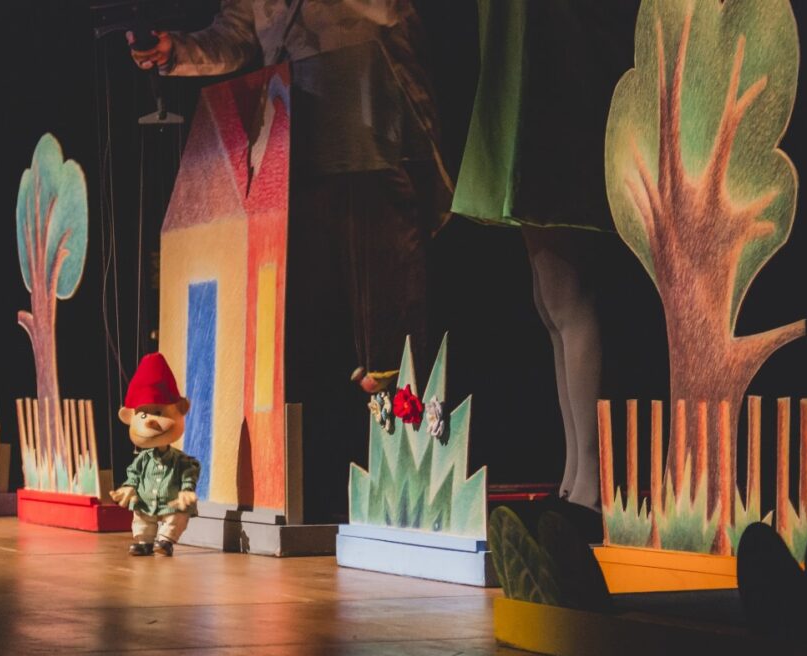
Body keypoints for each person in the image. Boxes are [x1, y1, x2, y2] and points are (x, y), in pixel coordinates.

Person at [128, 0, 452, 394]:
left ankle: (401, 400)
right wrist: (176, 51)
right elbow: (237, 34)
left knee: (386, 293)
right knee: (307, 311)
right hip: (292, 130)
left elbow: (388, 10)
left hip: (372, 117)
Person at [451, 0, 638, 520]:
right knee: (550, 302)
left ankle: (591, 480)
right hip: (529, 90)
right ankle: (574, 472)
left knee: (567, 297)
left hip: (553, 95)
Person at [110, 352, 201, 556]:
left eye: (158, 413)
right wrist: (129, 487)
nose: (151, 422)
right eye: (143, 415)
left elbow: (189, 472)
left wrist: (187, 489)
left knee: (179, 513)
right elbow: (134, 474)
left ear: (181, 409)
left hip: (171, 501)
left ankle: (166, 541)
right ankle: (144, 542)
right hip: (146, 501)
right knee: (141, 515)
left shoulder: (181, 460)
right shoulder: (142, 459)